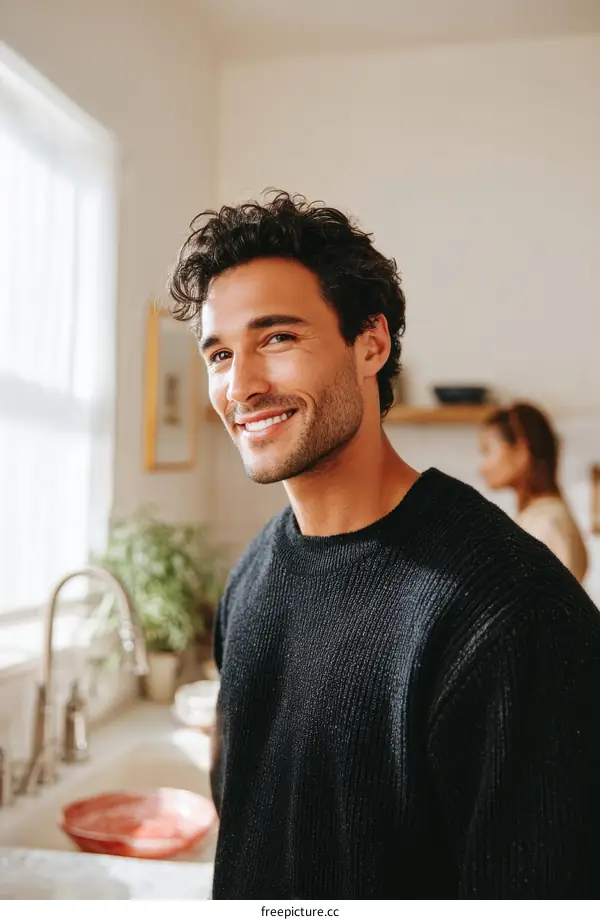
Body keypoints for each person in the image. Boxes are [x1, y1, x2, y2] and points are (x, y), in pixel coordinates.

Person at [168, 191, 600, 899]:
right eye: (220, 353)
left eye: (277, 338)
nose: (240, 385)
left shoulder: (513, 614)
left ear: (370, 343)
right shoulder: (250, 578)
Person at [479, 403, 588, 583]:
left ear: (522, 451)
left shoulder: (547, 523)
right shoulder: (540, 516)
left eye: (487, 451)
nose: (482, 468)